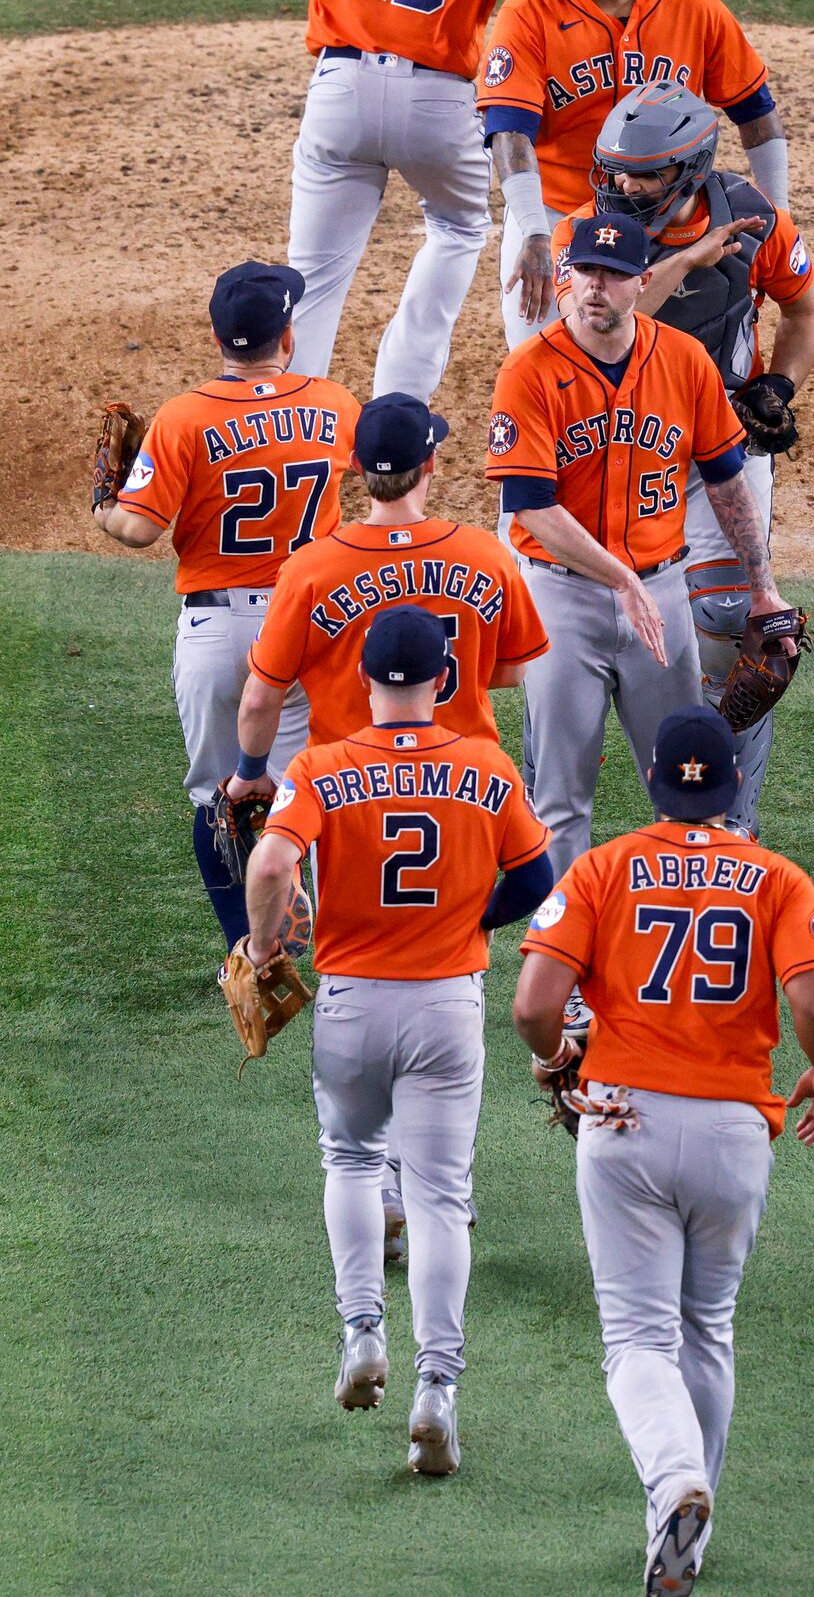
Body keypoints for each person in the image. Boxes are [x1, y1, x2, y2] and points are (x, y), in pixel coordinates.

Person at [512, 704, 814, 1595]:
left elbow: (532, 1003)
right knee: (708, 1327)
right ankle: (688, 1522)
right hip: (737, 1129)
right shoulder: (779, 879)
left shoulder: (602, 869)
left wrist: (555, 1059)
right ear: (734, 785)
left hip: (624, 1121)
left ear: (654, 780)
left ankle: (673, 1487)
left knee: (636, 1340)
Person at [225, 388, 549, 1259]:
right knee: (449, 991)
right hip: (469, 796)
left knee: (360, 984)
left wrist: (254, 775)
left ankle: (381, 1188)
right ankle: (438, 1192)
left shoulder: (313, 567)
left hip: (346, 803)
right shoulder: (484, 554)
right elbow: (513, 672)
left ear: (355, 475)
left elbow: (262, 693)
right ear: (432, 465)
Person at [245, 605, 552, 1469]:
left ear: (365, 680)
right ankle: (438, 1392)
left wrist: (265, 945)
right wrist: (474, 918)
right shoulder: (487, 768)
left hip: (351, 1003)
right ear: (443, 682)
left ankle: (361, 1335)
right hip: (446, 1006)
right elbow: (537, 873)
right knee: (440, 1197)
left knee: (348, 1160)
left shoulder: (321, 766)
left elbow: (271, 865)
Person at [486, 211, 800, 881]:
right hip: (563, 596)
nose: (597, 287)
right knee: (562, 801)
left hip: (660, 591)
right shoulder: (529, 372)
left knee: (688, 787)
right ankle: (566, 972)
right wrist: (619, 579)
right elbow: (534, 510)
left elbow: (726, 481)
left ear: (644, 281)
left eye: (615, 274)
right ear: (569, 277)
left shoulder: (683, 362)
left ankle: (683, 933)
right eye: (586, 272)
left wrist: (763, 586)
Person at [551, 82, 814, 831]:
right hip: (615, 454)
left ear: (695, 169)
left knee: (743, 626)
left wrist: (777, 386)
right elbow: (600, 318)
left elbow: (803, 307)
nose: (625, 189)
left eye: (646, 176)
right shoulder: (585, 236)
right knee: (585, 626)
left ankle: (729, 818)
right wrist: (695, 257)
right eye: (616, 172)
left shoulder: (757, 221)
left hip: (720, 449)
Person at [271, 0, 557, 396]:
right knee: (458, 229)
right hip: (440, 104)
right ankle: (399, 418)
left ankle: (288, 430)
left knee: (310, 280)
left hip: (339, 92)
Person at [91, 261, 359, 954]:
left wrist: (104, 508)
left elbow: (139, 528)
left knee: (219, 799)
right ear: (288, 336)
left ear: (217, 338)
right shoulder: (334, 404)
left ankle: (248, 953)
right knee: (314, 796)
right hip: (312, 625)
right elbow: (380, 468)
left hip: (217, 630)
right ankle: (338, 942)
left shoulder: (184, 417)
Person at [477, 0, 790, 347]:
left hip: (668, 223)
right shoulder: (530, 9)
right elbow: (508, 130)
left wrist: (779, 218)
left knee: (678, 361)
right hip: (557, 215)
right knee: (547, 358)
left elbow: (756, 113)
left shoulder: (692, 5)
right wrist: (535, 233)